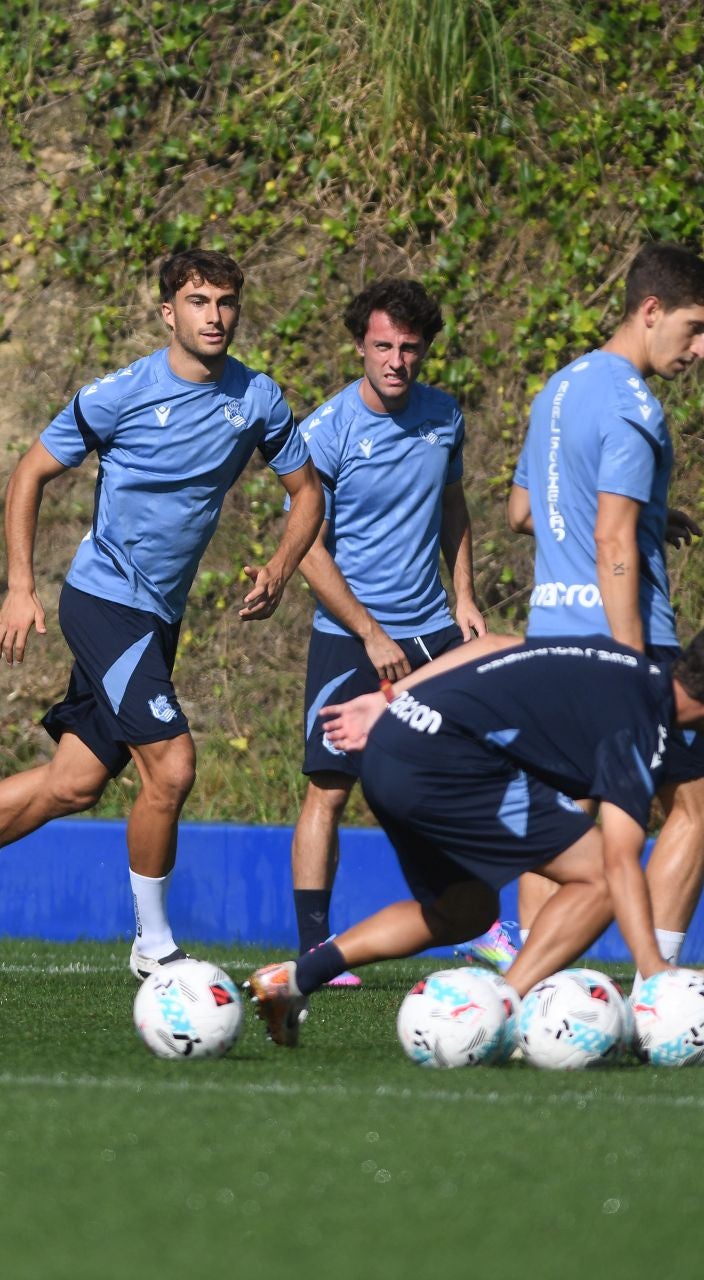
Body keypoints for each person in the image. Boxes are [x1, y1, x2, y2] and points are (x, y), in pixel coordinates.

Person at [0, 249, 325, 980]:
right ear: (167, 313)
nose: (215, 316)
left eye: (226, 302)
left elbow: (307, 491)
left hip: (158, 617)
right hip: (104, 600)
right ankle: (153, 948)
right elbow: (30, 473)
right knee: (172, 767)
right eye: (198, 301)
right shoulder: (120, 394)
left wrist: (279, 568)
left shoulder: (259, 398)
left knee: (73, 784)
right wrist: (20, 587)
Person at [246, 620, 704, 1045]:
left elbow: (495, 644)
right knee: (597, 878)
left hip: (393, 745)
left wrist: (388, 699)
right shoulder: (644, 725)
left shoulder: (619, 661)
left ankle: (291, 980)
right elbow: (618, 861)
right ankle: (498, 1012)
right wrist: (654, 971)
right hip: (445, 762)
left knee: (463, 912)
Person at [457, 243, 704, 975]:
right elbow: (611, 536)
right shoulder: (633, 404)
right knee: (695, 806)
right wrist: (633, 661)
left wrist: (647, 516)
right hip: (619, 636)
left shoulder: (560, 388)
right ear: (651, 311)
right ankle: (659, 989)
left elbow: (523, 511)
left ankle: (536, 989)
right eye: (695, 328)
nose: (702, 350)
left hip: (549, 635)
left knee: (558, 821)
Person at [286, 279, 489, 990]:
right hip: (350, 634)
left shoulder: (445, 416)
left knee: (462, 776)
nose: (396, 361)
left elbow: (454, 505)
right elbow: (307, 546)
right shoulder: (328, 430)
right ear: (360, 346)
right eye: (382, 347)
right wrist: (369, 631)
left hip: (435, 629)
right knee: (330, 790)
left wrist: (464, 595)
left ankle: (483, 926)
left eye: (408, 348)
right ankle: (316, 947)